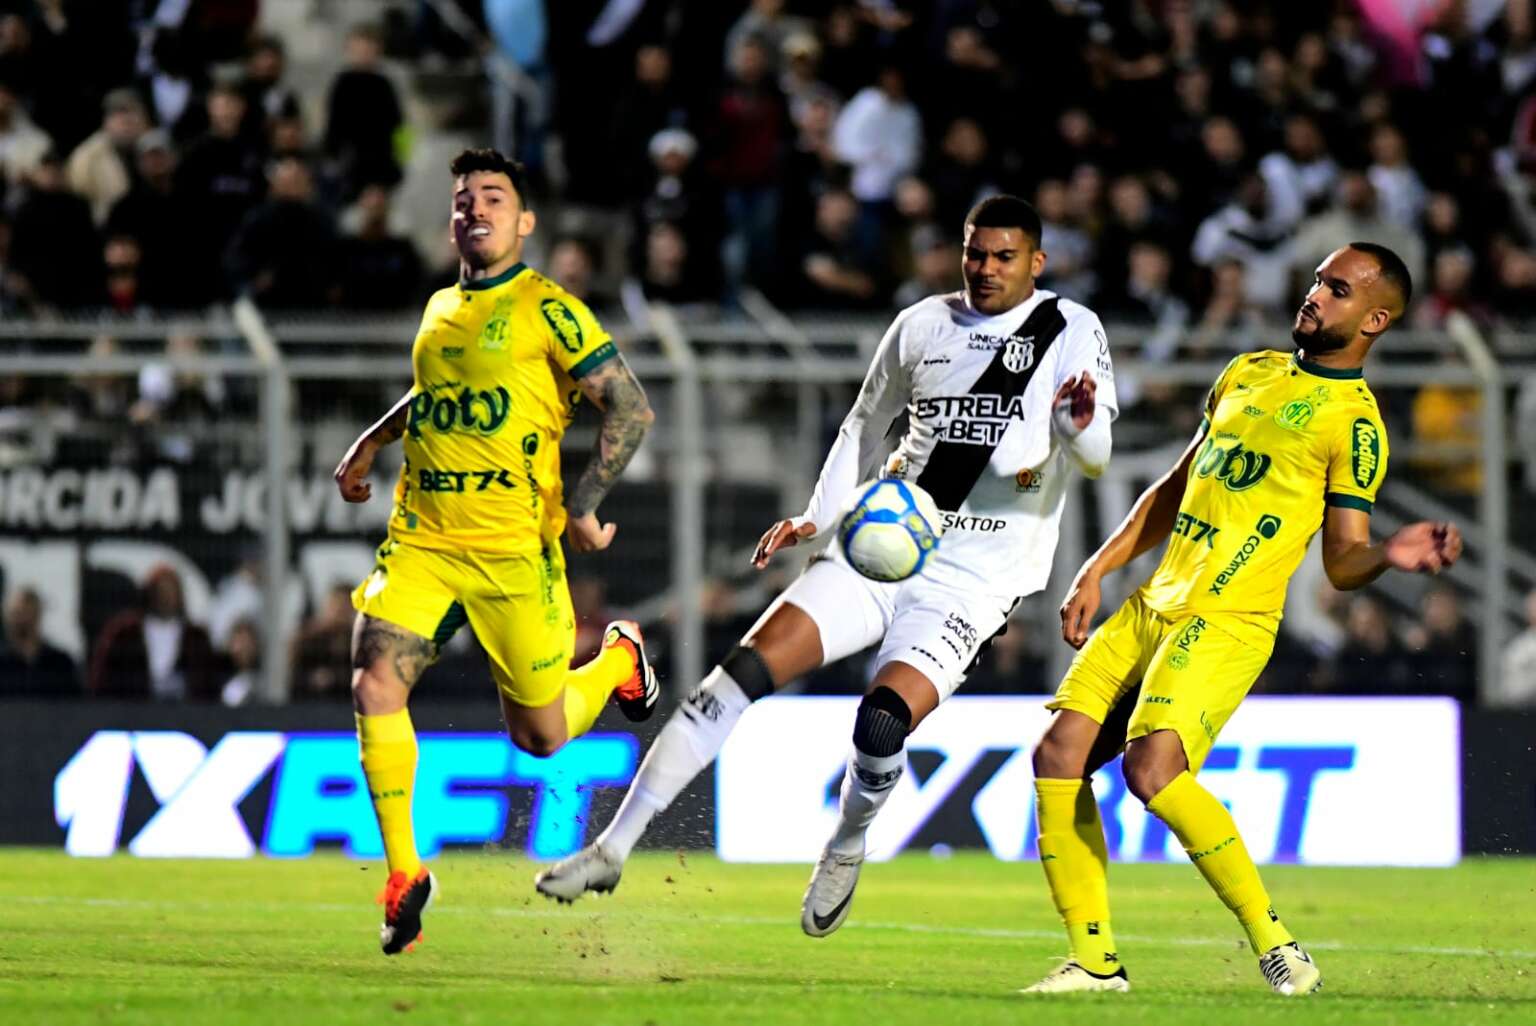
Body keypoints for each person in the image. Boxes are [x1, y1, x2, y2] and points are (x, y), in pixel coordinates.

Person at [535, 196, 1118, 938]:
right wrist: (818, 515)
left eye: (1005, 257)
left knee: (880, 724)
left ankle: (847, 841)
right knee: (737, 675)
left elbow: (1095, 457)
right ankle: (611, 848)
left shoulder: (1069, 331)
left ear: (1037, 262)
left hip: (974, 584)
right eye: (975, 253)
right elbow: (865, 423)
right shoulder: (922, 325)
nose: (986, 269)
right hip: (882, 547)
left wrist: (1074, 427)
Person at [1022, 243, 1462, 997]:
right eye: (1319, 280)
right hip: (1153, 601)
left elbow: (1343, 561)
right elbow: (1175, 483)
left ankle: (1276, 942)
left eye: (1339, 288)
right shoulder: (1248, 369)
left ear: (1376, 318)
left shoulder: (1355, 425)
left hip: (1230, 618)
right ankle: (1094, 962)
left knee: (1151, 769)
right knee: (1057, 755)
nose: (1316, 294)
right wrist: (1097, 568)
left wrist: (1388, 552)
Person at [331, 148, 657, 956]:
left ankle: (617, 663)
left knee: (541, 738)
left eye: (494, 198)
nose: (475, 209)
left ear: (524, 221)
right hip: (425, 542)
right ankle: (406, 872)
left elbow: (630, 406)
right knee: (374, 681)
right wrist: (371, 442)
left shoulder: (551, 308)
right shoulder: (441, 306)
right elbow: (437, 392)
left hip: (516, 551)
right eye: (463, 199)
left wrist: (583, 504)